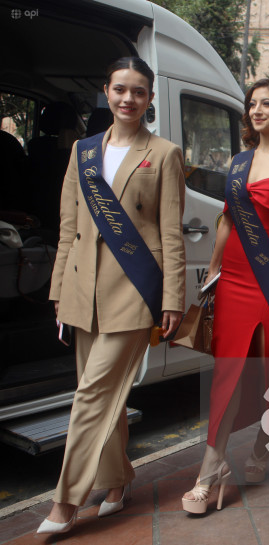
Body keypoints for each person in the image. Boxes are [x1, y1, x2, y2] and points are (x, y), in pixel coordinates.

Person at [40, 57, 186, 534]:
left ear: (149, 99)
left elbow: (171, 233)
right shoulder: (82, 151)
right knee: (108, 398)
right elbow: (68, 227)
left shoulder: (163, 153)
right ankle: (118, 480)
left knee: (91, 395)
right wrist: (59, 289)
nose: (128, 99)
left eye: (139, 91)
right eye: (120, 89)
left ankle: (65, 502)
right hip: (83, 290)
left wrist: (172, 299)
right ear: (106, 91)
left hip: (134, 291)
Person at [181, 78, 269, 512]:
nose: (256, 110)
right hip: (234, 275)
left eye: (266, 103)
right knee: (228, 369)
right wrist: (214, 267)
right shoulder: (240, 162)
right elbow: (227, 219)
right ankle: (212, 466)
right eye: (252, 103)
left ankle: (264, 439)